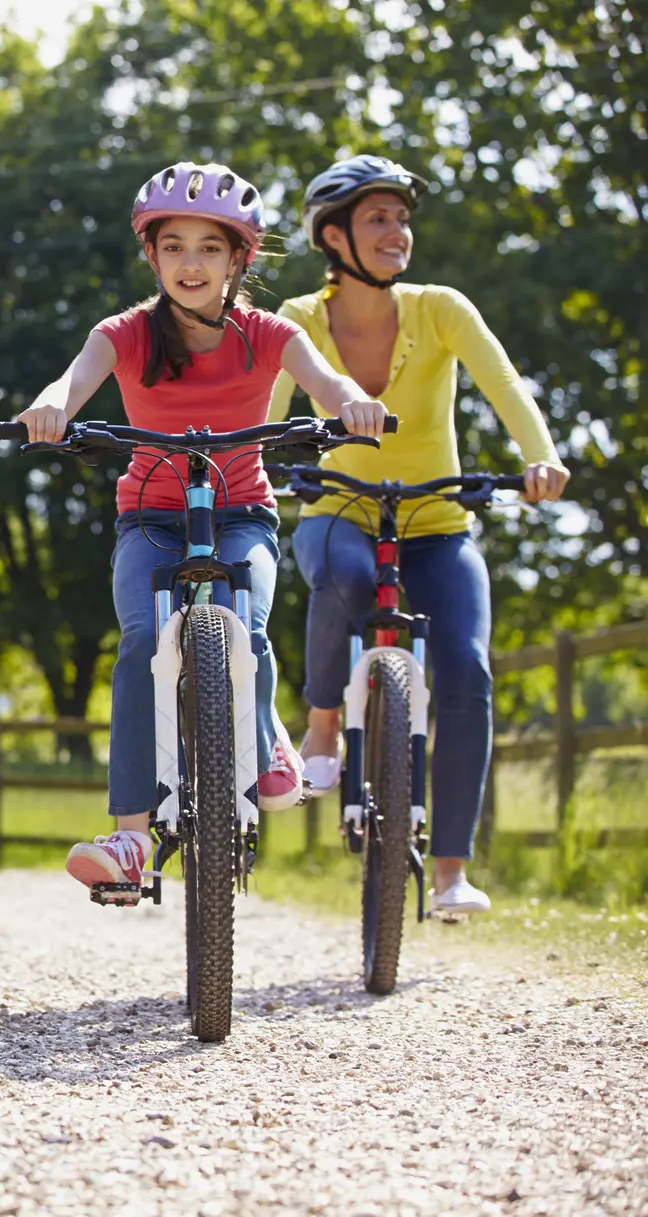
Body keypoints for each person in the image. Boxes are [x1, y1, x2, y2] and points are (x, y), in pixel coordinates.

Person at [12, 161, 390, 897]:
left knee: (245, 618)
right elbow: (71, 380)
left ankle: (264, 735)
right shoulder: (123, 334)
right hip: (149, 518)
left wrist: (352, 403)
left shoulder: (269, 334)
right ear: (151, 255)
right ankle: (129, 836)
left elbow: (327, 380)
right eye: (175, 246)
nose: (191, 262)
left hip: (242, 510)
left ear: (238, 259)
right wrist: (48, 408)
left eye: (210, 248)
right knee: (143, 643)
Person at [270, 153, 571, 916]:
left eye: (402, 218)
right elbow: (265, 418)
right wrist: (255, 471)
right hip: (338, 509)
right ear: (333, 236)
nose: (397, 231)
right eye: (378, 218)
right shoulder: (300, 321)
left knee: (467, 668)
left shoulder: (442, 308)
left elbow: (503, 384)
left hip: (438, 522)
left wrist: (540, 458)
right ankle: (324, 727)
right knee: (340, 576)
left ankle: (449, 873)